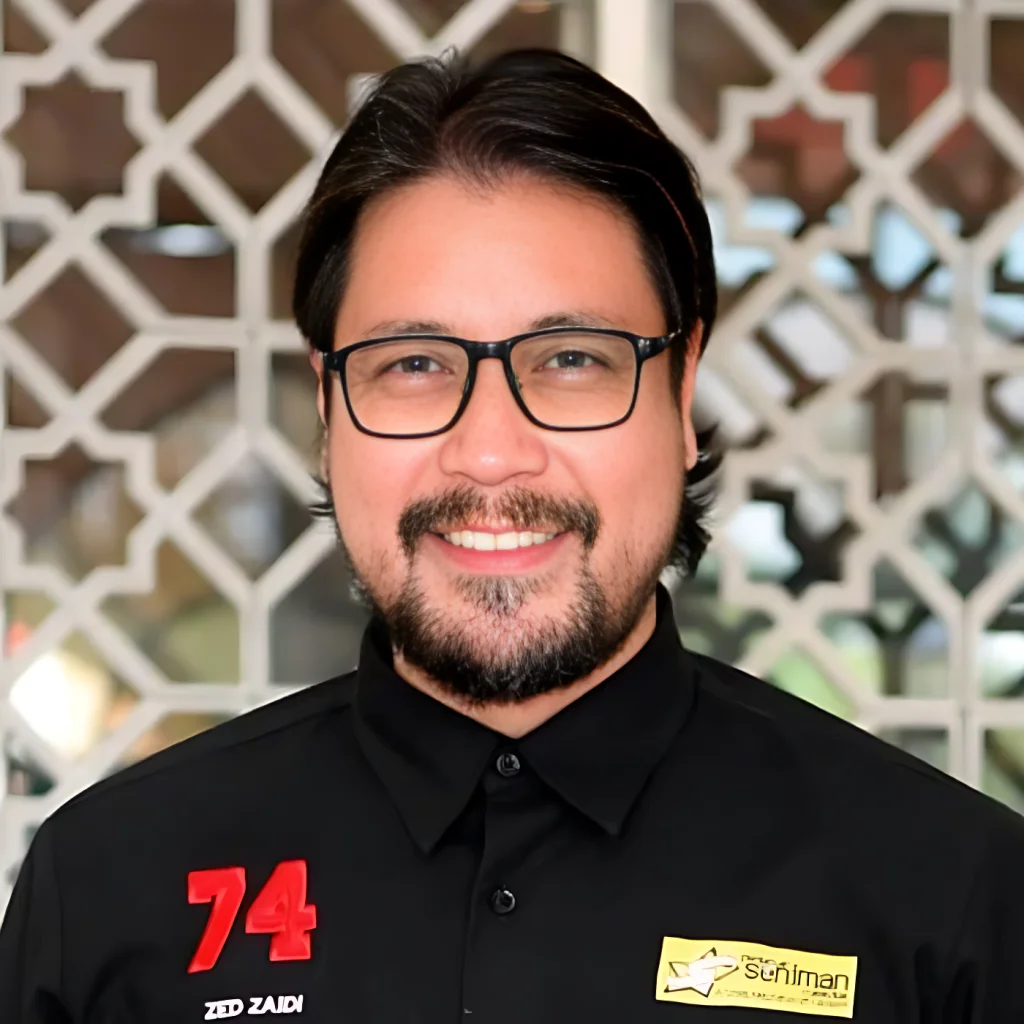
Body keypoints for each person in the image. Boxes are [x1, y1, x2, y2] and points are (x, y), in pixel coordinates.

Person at [1, 47, 1022, 1024]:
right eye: (413, 365)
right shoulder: (109, 888)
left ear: (681, 395)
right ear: (328, 406)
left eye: (572, 359)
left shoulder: (948, 895)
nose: (490, 454)